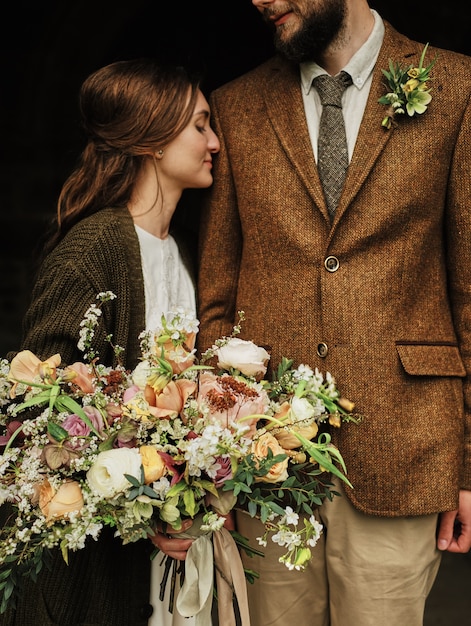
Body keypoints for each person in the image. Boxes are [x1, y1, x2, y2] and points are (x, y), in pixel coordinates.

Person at [196, 1, 471, 625]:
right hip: (266, 466)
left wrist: (470, 463)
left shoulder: (456, 87)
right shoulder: (235, 106)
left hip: (405, 448)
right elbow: (217, 298)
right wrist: (221, 446)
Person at [0, 57, 219, 626]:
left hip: (177, 545)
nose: (215, 141)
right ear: (152, 139)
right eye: (200, 125)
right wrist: (144, 508)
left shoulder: (189, 251)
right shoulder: (90, 251)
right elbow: (42, 417)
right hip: (95, 565)